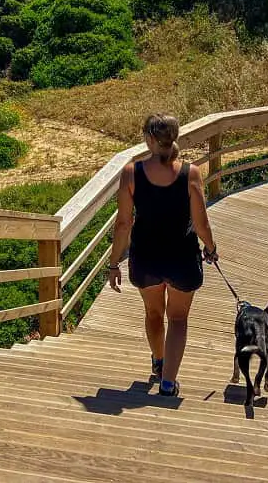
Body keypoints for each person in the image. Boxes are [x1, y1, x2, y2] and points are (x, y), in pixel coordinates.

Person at [107, 113, 218, 397]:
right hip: (181, 257)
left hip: (146, 257)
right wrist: (211, 247)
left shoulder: (131, 173)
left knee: (153, 313)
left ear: (149, 139)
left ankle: (158, 362)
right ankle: (168, 382)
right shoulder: (190, 173)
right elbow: (201, 222)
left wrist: (113, 263)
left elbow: (123, 224)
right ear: (174, 138)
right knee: (178, 319)